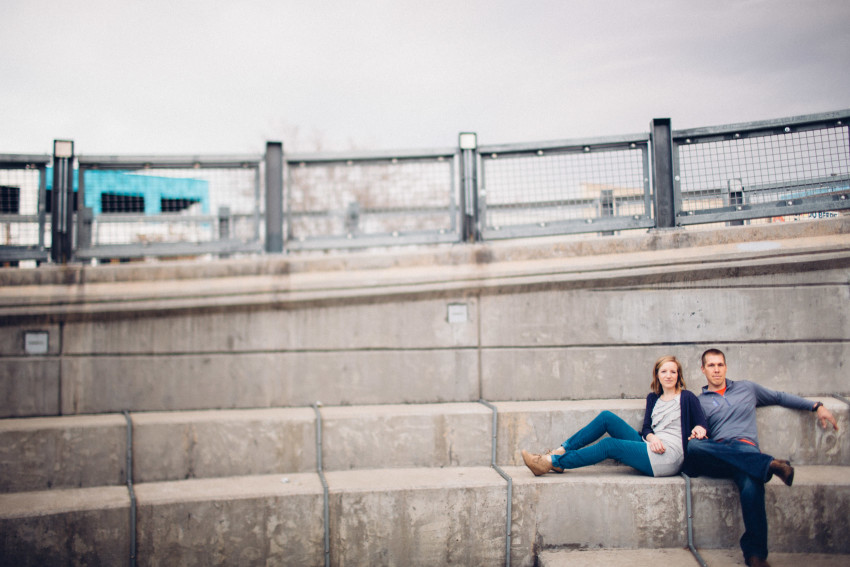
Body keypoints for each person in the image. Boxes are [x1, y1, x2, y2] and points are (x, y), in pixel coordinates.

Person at [683, 348, 839, 567]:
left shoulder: (747, 389)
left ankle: (756, 556)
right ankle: (770, 465)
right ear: (703, 369)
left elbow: (780, 397)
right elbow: (696, 431)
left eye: (720, 365)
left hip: (746, 451)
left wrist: (817, 406)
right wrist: (698, 430)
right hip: (719, 454)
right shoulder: (699, 401)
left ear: (726, 367)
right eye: (711, 365)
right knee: (694, 445)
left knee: (751, 484)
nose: (716, 370)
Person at [521, 355, 708, 478]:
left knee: (609, 445)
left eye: (673, 371)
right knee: (606, 417)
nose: (669, 375)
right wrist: (653, 438)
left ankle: (549, 462)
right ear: (657, 375)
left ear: (679, 375)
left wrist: (700, 429)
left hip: (668, 456)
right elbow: (646, 428)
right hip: (652, 445)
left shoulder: (687, 397)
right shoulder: (653, 398)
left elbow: (701, 423)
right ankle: (559, 451)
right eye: (664, 371)